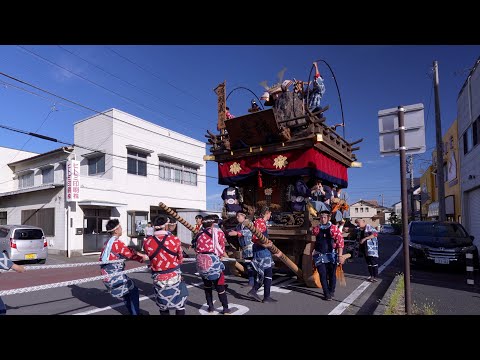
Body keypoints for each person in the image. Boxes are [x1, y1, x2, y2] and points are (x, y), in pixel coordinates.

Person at [99, 219, 149, 315]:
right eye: (120, 227)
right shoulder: (117, 243)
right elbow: (130, 255)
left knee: (127, 292)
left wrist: (138, 253)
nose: (122, 229)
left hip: (106, 274)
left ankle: (132, 311)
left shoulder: (108, 243)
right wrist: (144, 258)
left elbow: (128, 250)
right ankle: (135, 313)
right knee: (133, 290)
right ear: (116, 230)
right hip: (114, 275)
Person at [143, 215, 188, 315]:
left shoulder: (147, 242)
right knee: (179, 304)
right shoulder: (174, 240)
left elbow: (149, 257)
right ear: (166, 226)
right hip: (174, 276)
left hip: (158, 277)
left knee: (163, 305)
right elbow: (180, 259)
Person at [195, 214, 231, 314]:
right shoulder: (219, 233)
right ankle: (225, 308)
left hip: (202, 262)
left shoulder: (199, 234)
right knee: (220, 286)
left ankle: (210, 307)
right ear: (213, 223)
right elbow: (222, 249)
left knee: (207, 286)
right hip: (214, 262)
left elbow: (196, 248)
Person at [311, 210, 345, 300]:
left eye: (324, 217)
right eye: (321, 217)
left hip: (331, 255)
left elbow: (340, 242)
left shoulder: (333, 228)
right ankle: (326, 294)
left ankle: (331, 291)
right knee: (322, 274)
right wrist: (311, 252)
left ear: (328, 218)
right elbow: (313, 242)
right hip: (319, 255)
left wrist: (340, 255)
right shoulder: (316, 229)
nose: (322, 219)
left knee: (332, 274)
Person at [247, 206, 277, 303]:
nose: (270, 215)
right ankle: (258, 293)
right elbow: (255, 238)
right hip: (261, 251)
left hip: (262, 250)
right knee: (264, 273)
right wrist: (265, 244)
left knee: (267, 273)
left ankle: (264, 295)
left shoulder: (260, 222)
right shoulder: (260, 222)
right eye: (269, 213)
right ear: (267, 213)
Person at [228, 210, 254, 287]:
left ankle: (256, 281)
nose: (237, 217)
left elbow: (249, 232)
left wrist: (237, 233)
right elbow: (234, 230)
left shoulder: (249, 223)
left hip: (251, 247)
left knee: (254, 264)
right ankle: (251, 281)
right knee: (248, 265)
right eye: (236, 216)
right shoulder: (238, 226)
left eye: (238, 216)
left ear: (243, 216)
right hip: (244, 248)